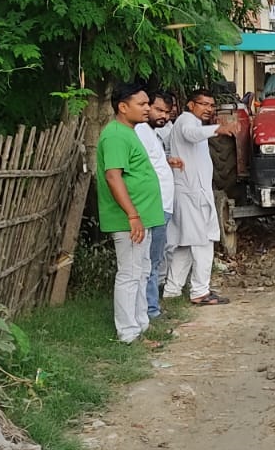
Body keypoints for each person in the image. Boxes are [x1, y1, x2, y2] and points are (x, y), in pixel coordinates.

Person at [96, 84, 166, 344]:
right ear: (122, 107)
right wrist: (133, 215)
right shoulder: (115, 135)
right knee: (129, 273)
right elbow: (113, 177)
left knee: (142, 270)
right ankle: (128, 333)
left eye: (148, 103)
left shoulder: (129, 131)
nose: (147, 108)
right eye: (142, 104)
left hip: (140, 217)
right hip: (128, 220)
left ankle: (141, 325)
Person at [165, 89, 239, 306]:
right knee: (203, 241)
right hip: (191, 192)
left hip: (193, 191)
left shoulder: (191, 123)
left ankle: (172, 290)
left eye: (211, 105)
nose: (208, 108)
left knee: (186, 243)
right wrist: (219, 128)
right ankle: (200, 291)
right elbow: (191, 134)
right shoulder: (186, 121)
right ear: (190, 105)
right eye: (203, 104)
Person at [138, 91, 181, 320]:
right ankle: (150, 311)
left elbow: (152, 161)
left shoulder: (152, 134)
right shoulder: (139, 131)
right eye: (158, 110)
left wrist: (167, 160)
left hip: (162, 206)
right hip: (153, 206)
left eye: (167, 112)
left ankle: (150, 308)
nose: (163, 116)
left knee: (153, 260)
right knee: (149, 262)